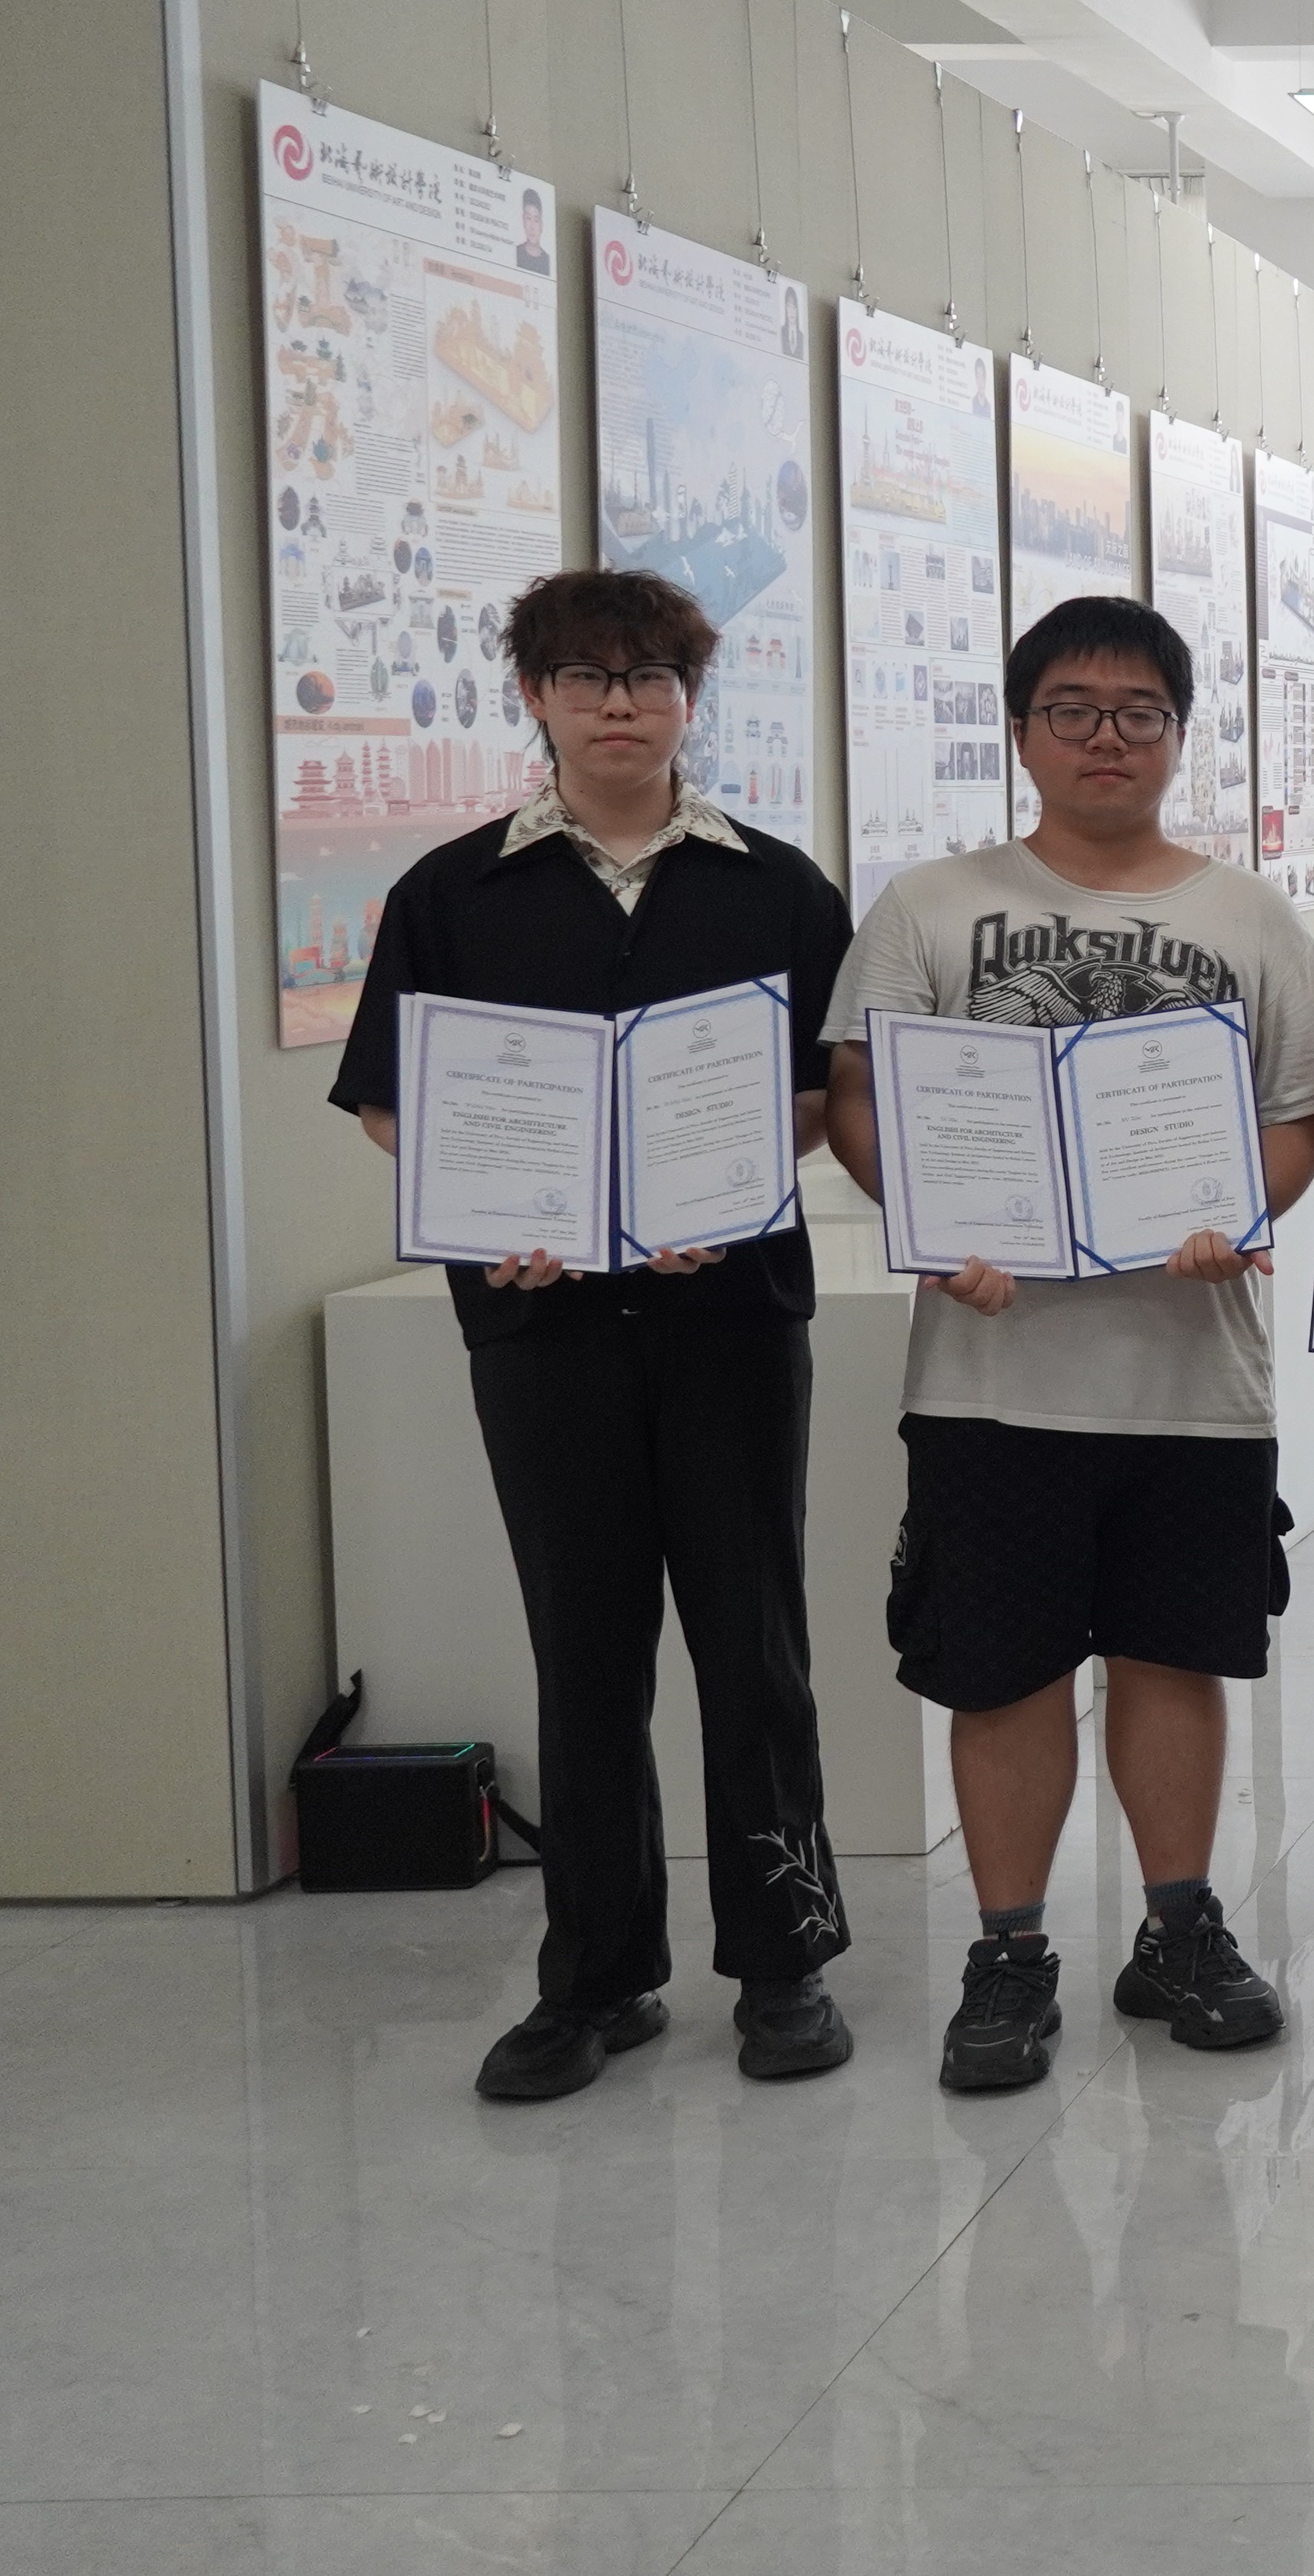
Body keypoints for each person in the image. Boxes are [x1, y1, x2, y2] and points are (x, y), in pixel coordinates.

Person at [331, 568, 858, 2101]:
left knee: (753, 1640)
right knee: (583, 1646)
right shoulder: (451, 893)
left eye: (648, 677)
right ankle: (598, 1978)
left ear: (690, 699)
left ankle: (784, 1960)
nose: (619, 703)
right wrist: (494, 1206)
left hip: (729, 1313)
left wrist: (729, 1180)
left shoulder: (775, 885)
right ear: (537, 698)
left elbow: (820, 1094)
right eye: (586, 677)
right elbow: (390, 1099)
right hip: (539, 1319)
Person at [823, 596, 1314, 2093]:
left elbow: (1295, 1120)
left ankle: (1177, 1928)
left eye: (1138, 713)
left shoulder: (1251, 918)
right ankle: (1010, 1951)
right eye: (1072, 709)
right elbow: (860, 1098)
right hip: (990, 1372)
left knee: (1176, 1657)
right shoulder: (929, 905)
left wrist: (1235, 1209)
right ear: (1021, 730)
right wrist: (933, 1222)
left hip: (1193, 1370)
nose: (1106, 737)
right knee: (1003, 1671)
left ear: (1178, 736)